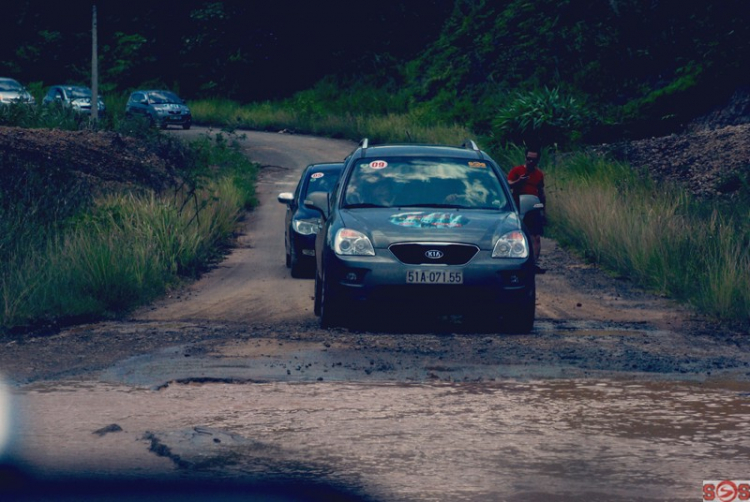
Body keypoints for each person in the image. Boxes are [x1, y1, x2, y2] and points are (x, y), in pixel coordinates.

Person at [507, 148, 546, 274]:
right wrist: (519, 182)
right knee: (517, 235)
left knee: (535, 236)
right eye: (528, 159)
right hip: (518, 207)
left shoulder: (539, 174)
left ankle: (533, 263)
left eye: (533, 160)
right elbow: (508, 184)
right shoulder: (517, 171)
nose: (530, 162)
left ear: (537, 161)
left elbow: (541, 192)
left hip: (533, 208)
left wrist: (543, 209)